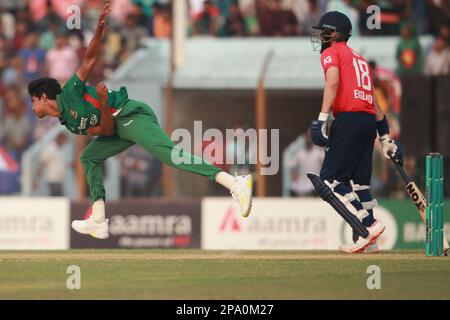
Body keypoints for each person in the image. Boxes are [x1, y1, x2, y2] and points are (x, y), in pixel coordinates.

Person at [27, 3, 253, 240]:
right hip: (115, 127)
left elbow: (89, 59)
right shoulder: (67, 122)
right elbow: (104, 128)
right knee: (89, 157)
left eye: (33, 101)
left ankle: (235, 183)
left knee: (170, 156)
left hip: (130, 115)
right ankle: (99, 220)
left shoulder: (70, 93)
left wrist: (100, 29)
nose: (32, 107)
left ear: (44, 97)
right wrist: (103, 104)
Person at [308, 11, 403, 253]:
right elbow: (376, 105)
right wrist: (385, 138)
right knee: (360, 183)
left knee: (329, 181)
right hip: (368, 121)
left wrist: (320, 120)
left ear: (334, 33)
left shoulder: (332, 52)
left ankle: (368, 225)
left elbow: (332, 83)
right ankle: (369, 244)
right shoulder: (360, 59)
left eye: (324, 31)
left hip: (349, 119)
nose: (321, 36)